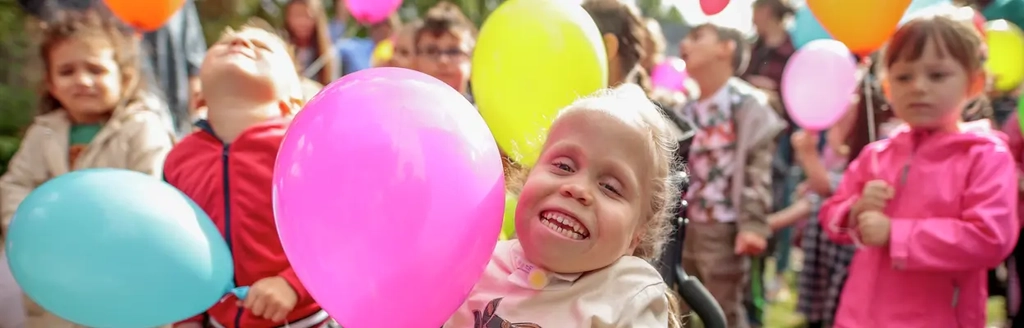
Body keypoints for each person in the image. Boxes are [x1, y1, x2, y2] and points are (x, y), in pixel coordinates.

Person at [819, 14, 1018, 328]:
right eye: (903, 77)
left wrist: (895, 233)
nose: (919, 87)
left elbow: (990, 238)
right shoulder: (877, 154)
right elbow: (831, 215)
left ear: (974, 83)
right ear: (887, 87)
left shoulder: (985, 156)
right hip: (859, 317)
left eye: (937, 75)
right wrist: (856, 211)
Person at [443, 84, 682, 327]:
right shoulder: (479, 264)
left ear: (637, 236)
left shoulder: (628, 295)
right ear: (527, 177)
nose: (578, 189)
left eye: (610, 187)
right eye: (564, 166)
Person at [0, 9, 175, 328]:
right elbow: (16, 183)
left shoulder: (142, 128)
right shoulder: (45, 132)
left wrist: (105, 231)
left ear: (124, 78)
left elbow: (154, 191)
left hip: (122, 268)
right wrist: (28, 227)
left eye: (95, 69)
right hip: (54, 273)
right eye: (67, 71)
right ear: (51, 84)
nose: (82, 80)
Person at [165, 22, 333, 328]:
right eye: (224, 42)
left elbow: (339, 230)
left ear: (293, 100)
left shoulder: (305, 149)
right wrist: (186, 316)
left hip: (304, 320)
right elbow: (175, 246)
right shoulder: (178, 159)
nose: (240, 40)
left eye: (264, 47)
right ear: (199, 96)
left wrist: (293, 284)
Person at [676, 22, 786, 328]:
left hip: (722, 229)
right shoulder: (686, 108)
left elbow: (757, 171)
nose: (686, 43)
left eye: (697, 36)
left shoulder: (747, 106)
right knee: (674, 303)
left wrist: (752, 224)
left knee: (722, 308)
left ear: (727, 49)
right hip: (683, 227)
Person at [413, 2, 476, 97]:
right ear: (415, 61)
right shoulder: (396, 108)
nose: (443, 61)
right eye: (431, 51)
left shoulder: (485, 111)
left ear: (471, 61)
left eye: (454, 51)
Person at [284, 0, 340, 86]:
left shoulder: (328, 56)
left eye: (307, 16)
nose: (301, 22)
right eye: (296, 15)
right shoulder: (281, 50)